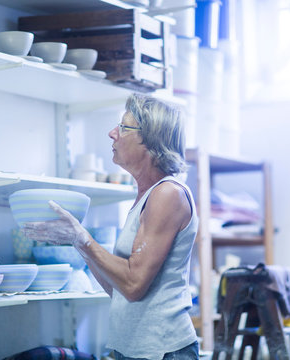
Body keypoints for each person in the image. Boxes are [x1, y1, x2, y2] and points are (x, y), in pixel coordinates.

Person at [23, 93, 199, 360]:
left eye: (124, 127)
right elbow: (117, 289)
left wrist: (84, 238)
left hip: (163, 350)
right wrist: (78, 242)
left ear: (150, 140)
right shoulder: (146, 196)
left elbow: (134, 284)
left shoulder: (167, 194)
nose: (112, 133)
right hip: (133, 349)